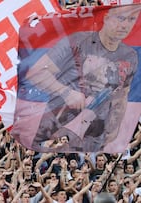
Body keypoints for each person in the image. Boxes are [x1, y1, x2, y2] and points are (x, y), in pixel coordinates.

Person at [15, 5, 141, 152]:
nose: (125, 25)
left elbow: (122, 95)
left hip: (95, 136)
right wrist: (66, 92)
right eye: (120, 18)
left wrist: (115, 131)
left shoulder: (130, 55)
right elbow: (36, 73)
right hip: (57, 127)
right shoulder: (77, 40)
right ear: (106, 18)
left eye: (131, 19)